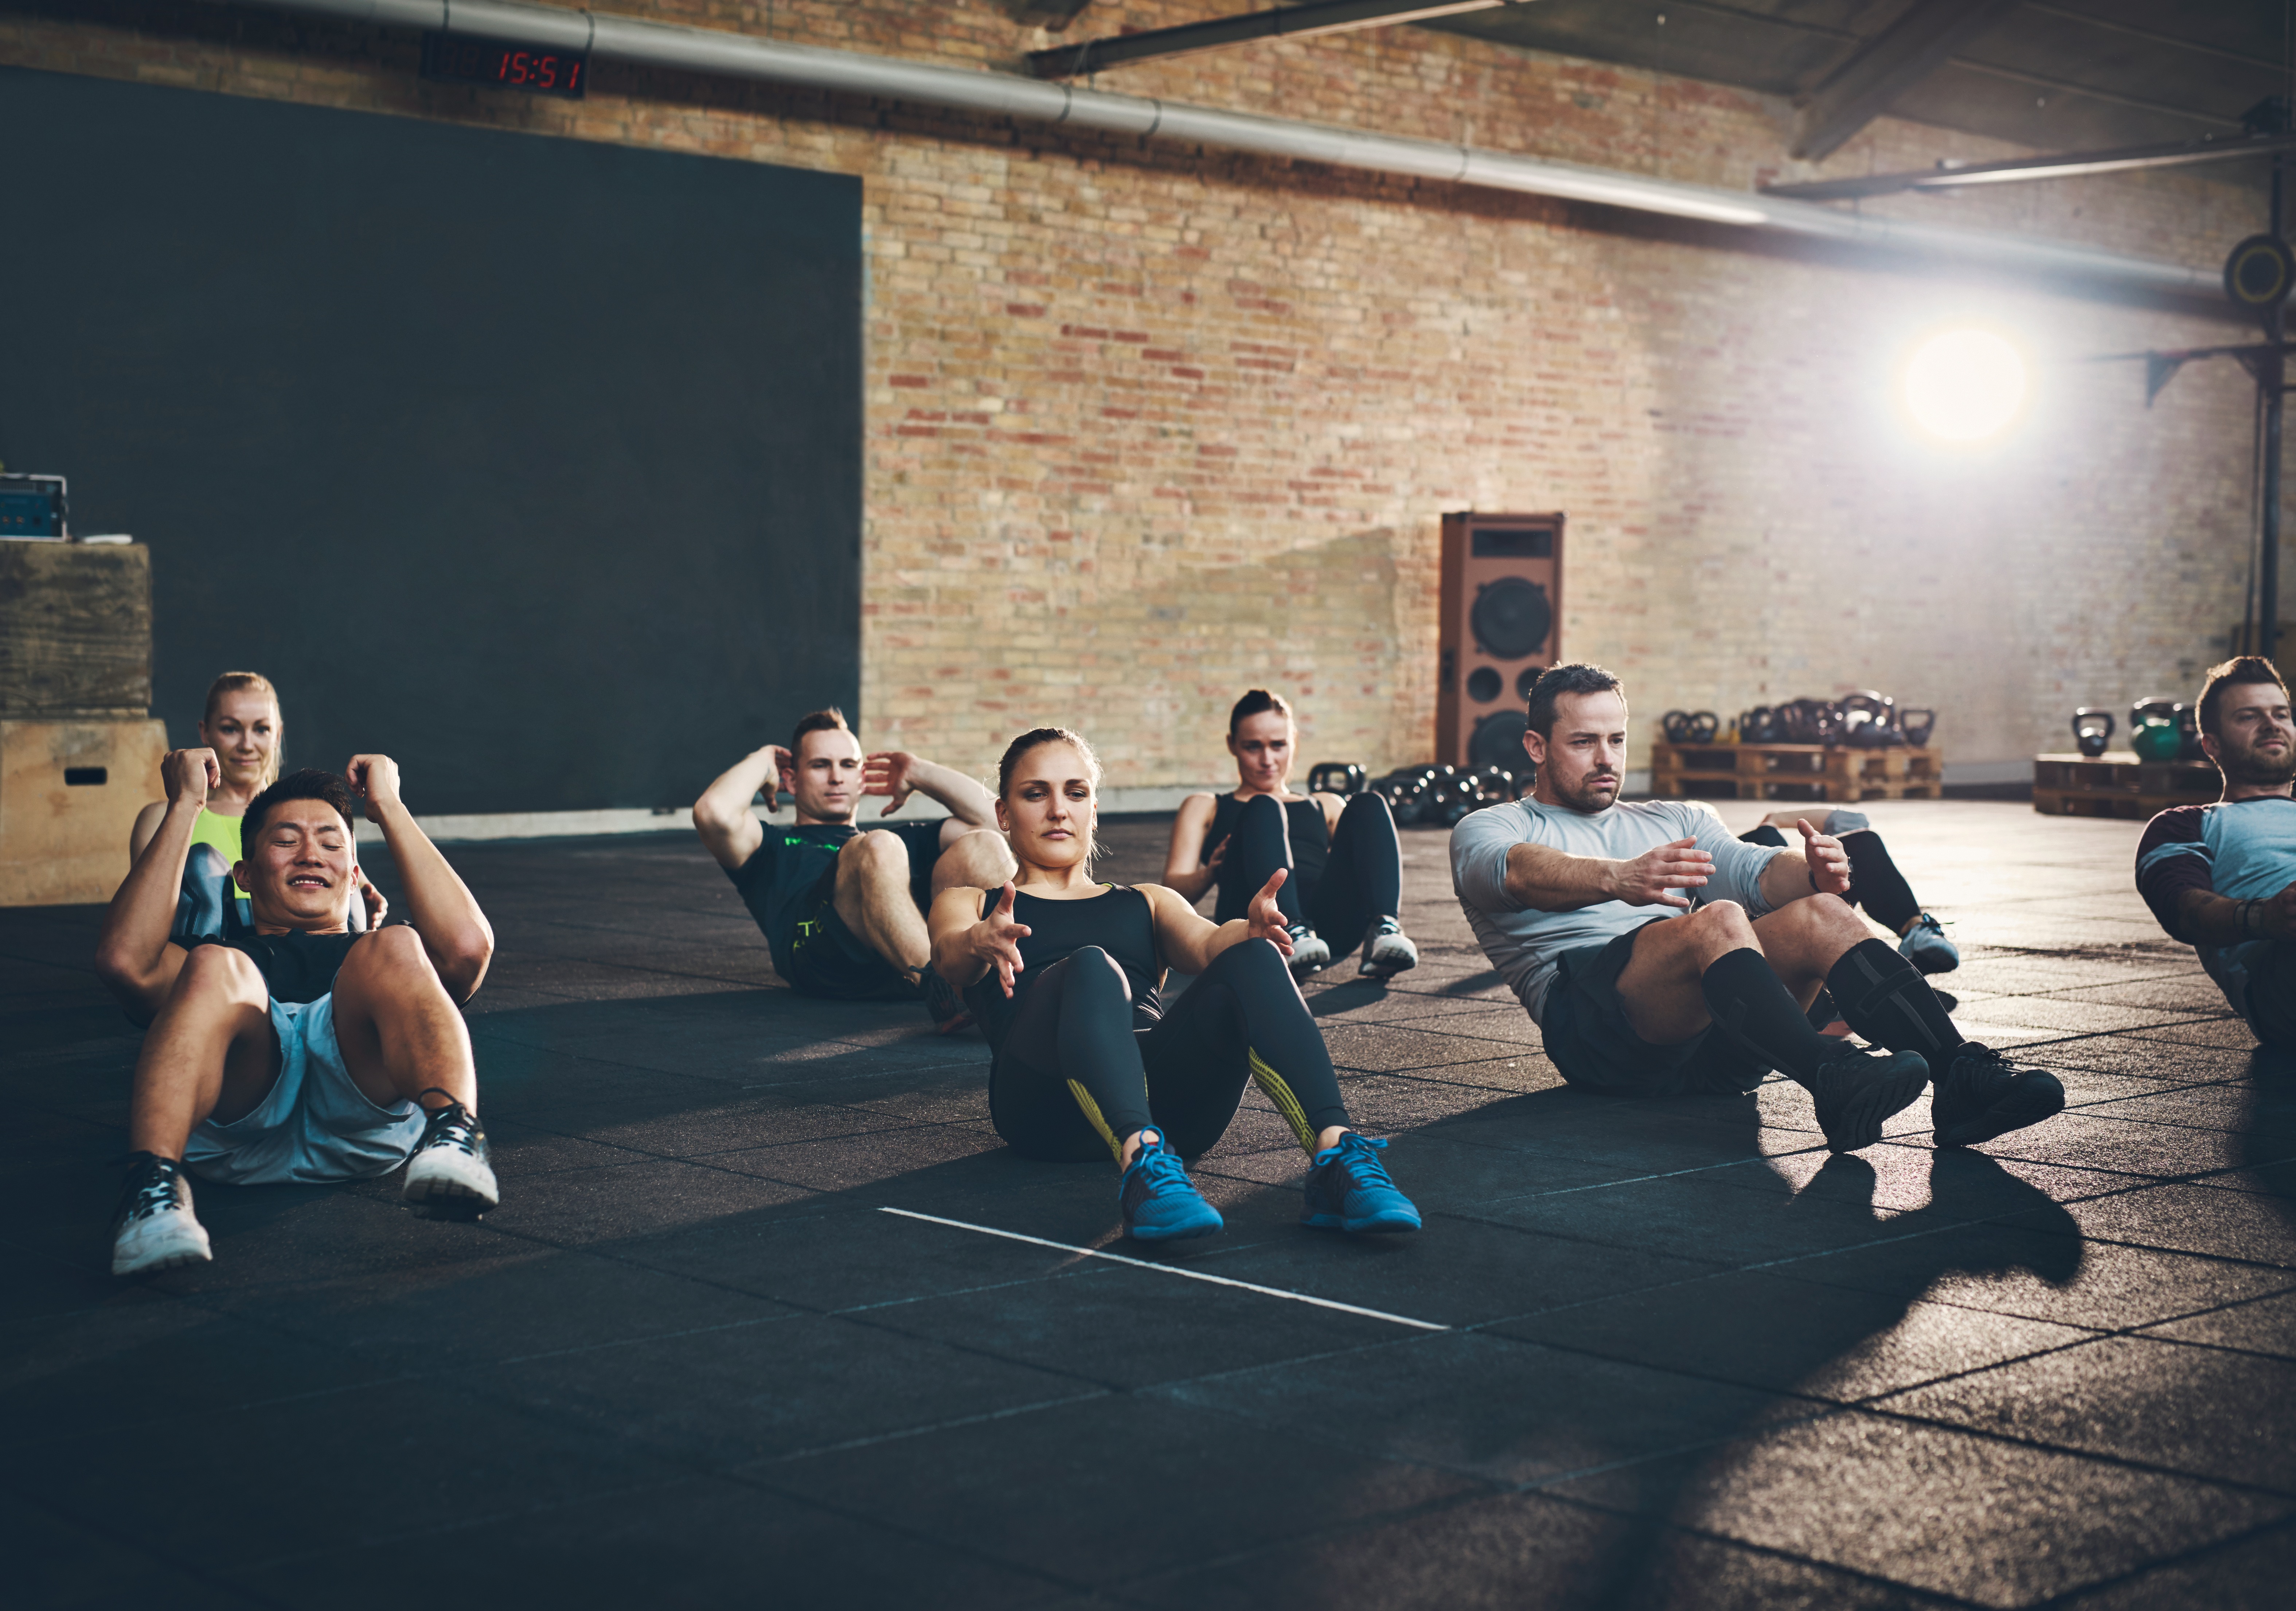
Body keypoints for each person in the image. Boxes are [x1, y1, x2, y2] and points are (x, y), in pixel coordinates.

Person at [1450, 664, 2063, 1153]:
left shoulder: (1674, 817)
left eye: (1616, 740)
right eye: (1584, 742)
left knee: (1820, 911)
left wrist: (1814, 872)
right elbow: (1515, 874)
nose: (1607, 759)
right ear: (1537, 745)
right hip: (1599, 1037)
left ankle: (1958, 1077)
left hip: (1720, 1042)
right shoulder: (1491, 827)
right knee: (1716, 921)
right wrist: (1619, 877)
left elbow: (1754, 871)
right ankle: (1832, 1077)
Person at [931, 726, 1420, 1240]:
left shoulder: (1147, 900)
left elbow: (1210, 945)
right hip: (1045, 1110)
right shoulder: (971, 903)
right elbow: (949, 958)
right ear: (1004, 813)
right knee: (1091, 965)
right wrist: (979, 941)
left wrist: (1251, 931)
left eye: (1076, 793)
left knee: (1253, 955)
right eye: (1036, 794)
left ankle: (1336, 1157)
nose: (1059, 810)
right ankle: (1141, 1163)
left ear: (1093, 810)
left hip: (1174, 1110)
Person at [93, 752, 500, 1276]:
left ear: (353, 875)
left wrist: (389, 805)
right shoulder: (215, 959)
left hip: (365, 1117)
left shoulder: (377, 963)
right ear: (244, 873)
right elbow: (123, 963)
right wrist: (186, 803)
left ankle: (456, 1134)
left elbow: (468, 950)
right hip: (241, 1117)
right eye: (286, 841)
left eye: (332, 845)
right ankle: (151, 1193)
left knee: (398, 943)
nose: (311, 854)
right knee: (214, 963)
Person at [692, 708, 1015, 1030]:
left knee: (982, 843)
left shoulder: (898, 840)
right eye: (820, 765)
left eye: (848, 765)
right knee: (878, 845)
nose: (836, 777)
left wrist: (919, 771)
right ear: (791, 778)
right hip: (827, 966)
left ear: (862, 778)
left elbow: (1001, 824)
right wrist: (763, 760)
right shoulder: (771, 846)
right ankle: (944, 987)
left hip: (898, 965)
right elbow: (713, 812)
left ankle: (1019, 978)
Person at [1163, 689, 1418, 980]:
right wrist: (1210, 872)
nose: (1267, 759)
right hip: (1254, 925)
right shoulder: (1206, 806)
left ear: (1294, 741)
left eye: (1278, 745)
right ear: (1232, 745)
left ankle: (1385, 927)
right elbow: (1172, 892)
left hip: (1329, 931)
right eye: (1253, 747)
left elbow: (1369, 855)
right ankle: (1293, 928)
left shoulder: (1326, 804)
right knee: (1264, 805)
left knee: (1368, 803)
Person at [128, 670, 382, 940]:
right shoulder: (162, 818)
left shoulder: (315, 818)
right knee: (201, 866)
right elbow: (140, 922)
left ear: (278, 735)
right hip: (212, 969)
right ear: (206, 733)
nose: (247, 745)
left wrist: (368, 900)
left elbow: (355, 891)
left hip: (316, 957)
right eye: (230, 729)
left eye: (261, 729)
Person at [2137, 656, 2296, 1046]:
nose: (2272, 724)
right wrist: (2266, 916)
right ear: (2213, 744)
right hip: (2277, 978)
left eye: (2281, 713)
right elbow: (2184, 910)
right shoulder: (2187, 824)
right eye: (2248, 716)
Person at [1737, 809, 1958, 975]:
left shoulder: (1709, 822)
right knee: (1763, 840)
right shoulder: (1719, 841)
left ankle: (1916, 931)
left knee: (1863, 843)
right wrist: (1767, 828)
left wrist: (1776, 818)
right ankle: (1798, 970)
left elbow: (1850, 818)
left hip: (1816, 908)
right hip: (1763, 921)